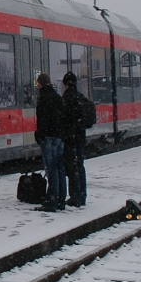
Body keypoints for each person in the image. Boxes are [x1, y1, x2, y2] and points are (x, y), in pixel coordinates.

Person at [34, 72, 65, 212]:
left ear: (40, 84)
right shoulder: (58, 97)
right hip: (59, 137)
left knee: (51, 169)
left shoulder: (43, 99)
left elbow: (42, 121)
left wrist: (39, 135)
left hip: (48, 137)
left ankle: (51, 201)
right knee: (59, 168)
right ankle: (61, 200)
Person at [61, 72, 88, 207]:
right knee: (80, 166)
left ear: (65, 84)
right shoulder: (81, 97)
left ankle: (75, 197)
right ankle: (83, 195)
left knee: (71, 168)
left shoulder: (66, 98)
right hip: (80, 137)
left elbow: (63, 119)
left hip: (70, 138)